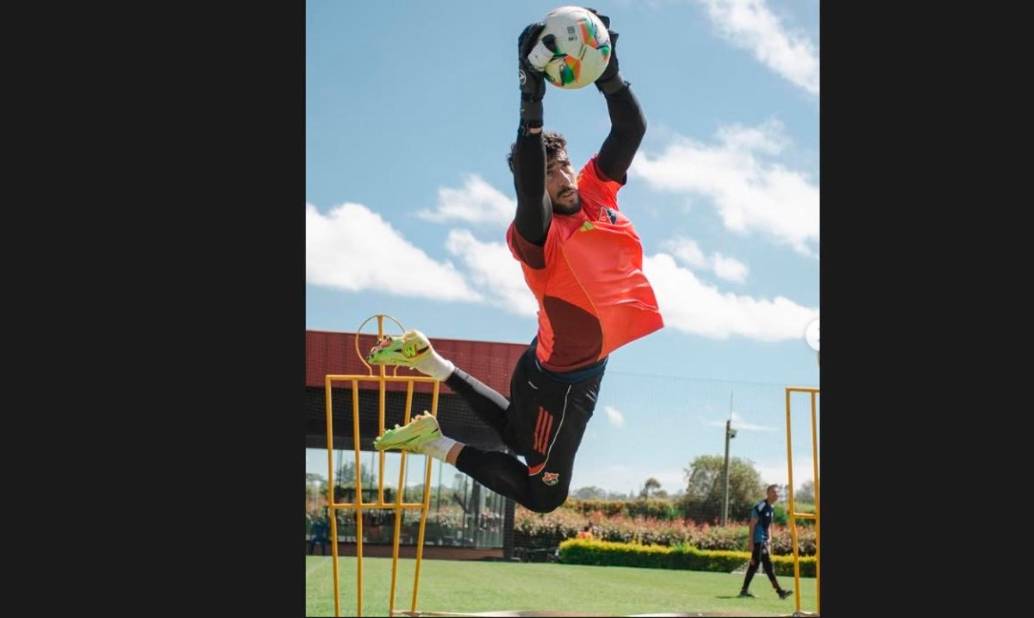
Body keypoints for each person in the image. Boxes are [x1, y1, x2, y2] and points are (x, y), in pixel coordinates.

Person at [367, 8, 663, 515]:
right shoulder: (537, 233)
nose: (563, 177)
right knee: (543, 493)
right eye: (550, 173)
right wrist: (532, 97)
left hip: (566, 369)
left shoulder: (596, 191)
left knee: (517, 434)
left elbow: (630, 130)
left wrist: (610, 73)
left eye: (564, 165)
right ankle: (433, 441)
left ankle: (427, 364)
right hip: (559, 380)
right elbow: (529, 192)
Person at [739, 484, 794, 600]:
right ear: (768, 493)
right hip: (758, 541)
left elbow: (768, 526)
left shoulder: (771, 508)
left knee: (754, 566)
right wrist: (751, 541)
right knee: (767, 566)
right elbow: (752, 524)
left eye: (777, 492)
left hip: (764, 541)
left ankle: (744, 590)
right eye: (774, 492)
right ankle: (780, 592)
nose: (776, 494)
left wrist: (769, 539)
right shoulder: (761, 506)